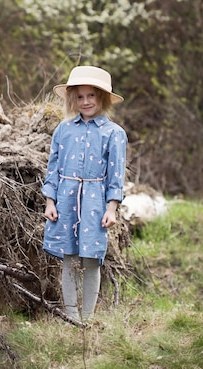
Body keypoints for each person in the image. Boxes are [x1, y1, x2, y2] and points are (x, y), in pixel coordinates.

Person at [41, 65, 127, 323]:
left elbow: (116, 176)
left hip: (94, 200)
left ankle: (87, 318)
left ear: (102, 98)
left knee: (91, 259)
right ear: (73, 99)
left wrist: (111, 208)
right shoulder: (64, 130)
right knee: (68, 259)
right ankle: (71, 316)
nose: (86, 101)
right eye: (80, 96)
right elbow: (53, 167)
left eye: (92, 96)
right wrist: (50, 201)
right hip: (66, 198)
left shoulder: (114, 133)